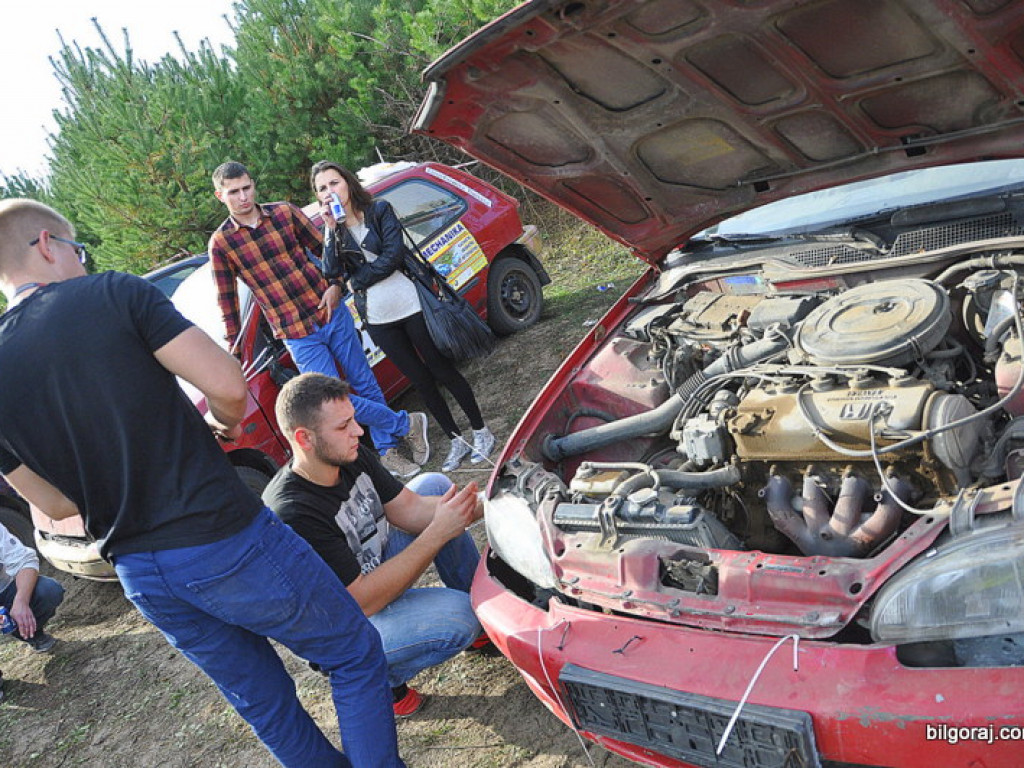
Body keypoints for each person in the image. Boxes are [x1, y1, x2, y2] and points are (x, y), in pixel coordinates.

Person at [0, 199, 405, 767]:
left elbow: (55, 501)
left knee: (267, 707)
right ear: (47, 244)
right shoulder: (116, 294)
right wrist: (220, 420)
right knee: (353, 652)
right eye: (78, 251)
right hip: (221, 536)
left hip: (141, 572)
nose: (82, 264)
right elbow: (229, 387)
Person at [263, 373, 485, 716]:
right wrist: (438, 532)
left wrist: (493, 500)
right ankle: (381, 680)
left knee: (434, 487)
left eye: (353, 420)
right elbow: (362, 600)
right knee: (463, 616)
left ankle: (489, 623)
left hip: (369, 574)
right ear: (304, 439)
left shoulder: (346, 454)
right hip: (347, 628)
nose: (359, 432)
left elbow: (411, 510)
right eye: (344, 426)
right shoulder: (293, 513)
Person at [209, 160, 428, 479]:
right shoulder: (222, 243)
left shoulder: (284, 212)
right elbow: (227, 303)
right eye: (233, 192)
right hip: (295, 332)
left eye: (246, 188)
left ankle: (387, 449)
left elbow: (328, 251)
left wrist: (336, 286)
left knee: (363, 381)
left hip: (331, 313)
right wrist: (233, 355)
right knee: (331, 399)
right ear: (220, 196)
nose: (243, 197)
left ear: (253, 185)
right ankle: (406, 423)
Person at [310, 160, 496, 472]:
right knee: (421, 381)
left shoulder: (379, 210)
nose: (331, 191)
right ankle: (456, 440)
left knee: (441, 369)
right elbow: (331, 273)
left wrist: (357, 280)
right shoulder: (335, 231)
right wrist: (330, 232)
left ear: (347, 183)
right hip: (379, 318)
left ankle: (481, 432)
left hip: (411, 305)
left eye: (334, 183)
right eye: (323, 188)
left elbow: (392, 256)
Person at [0, 520, 65, 702]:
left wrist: (21, 601)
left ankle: (30, 633)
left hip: (5, 589)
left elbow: (24, 560)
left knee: (48, 590)